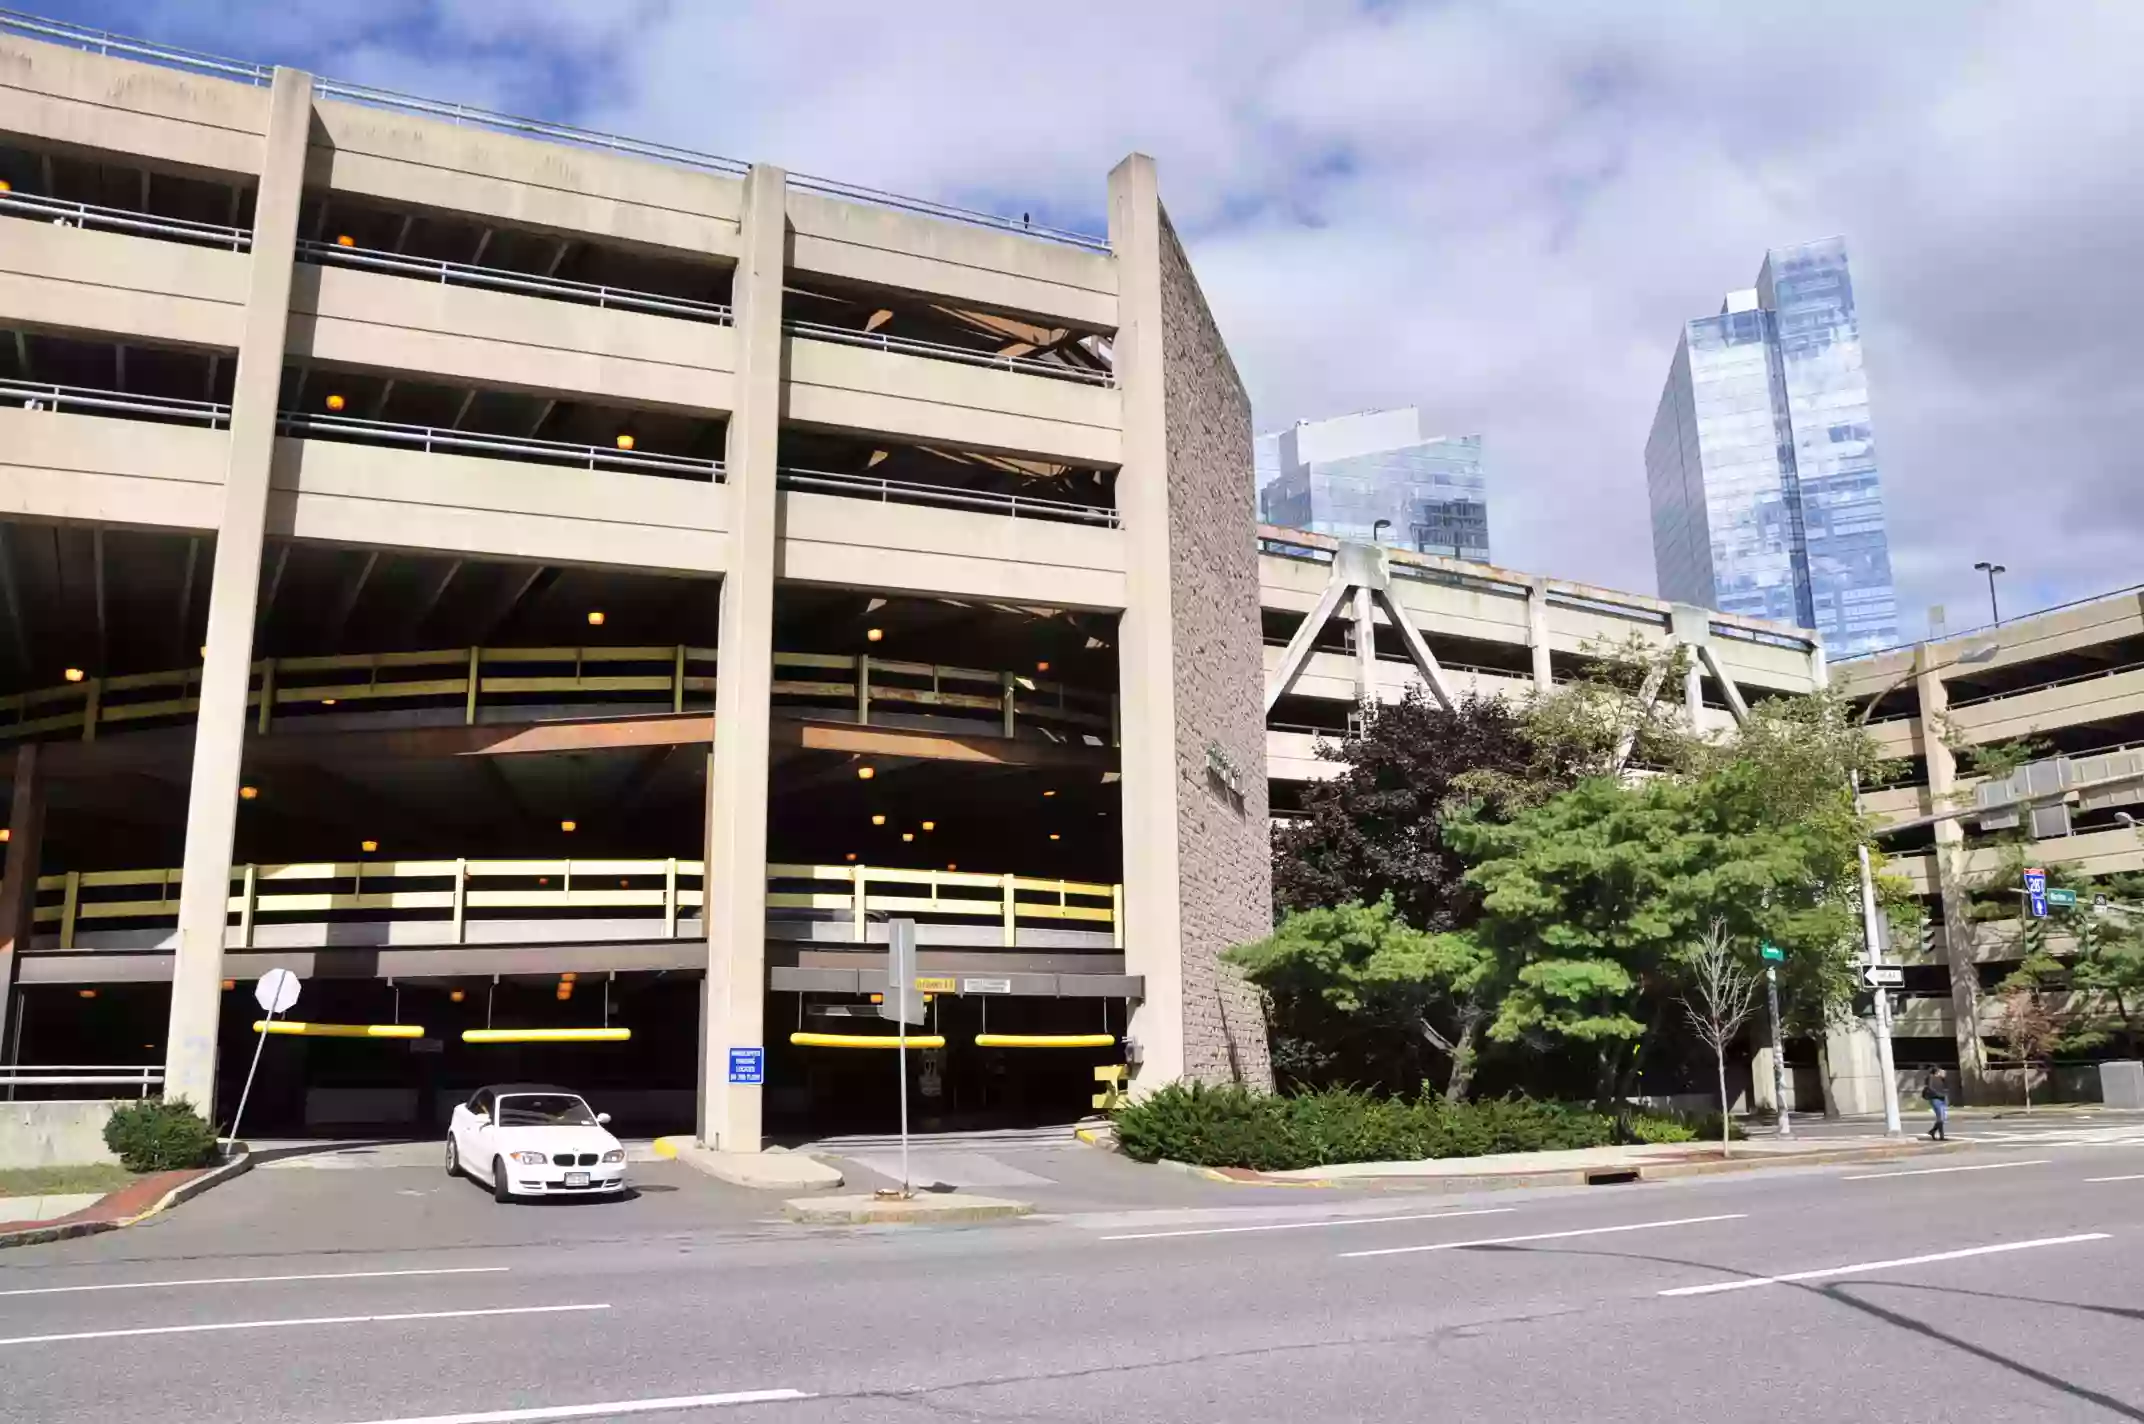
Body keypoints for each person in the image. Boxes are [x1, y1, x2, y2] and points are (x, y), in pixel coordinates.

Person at [1922, 1066, 1949, 1141]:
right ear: (1936, 1072)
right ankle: (1941, 1136)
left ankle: (1933, 1131)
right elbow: (1931, 1089)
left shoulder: (1941, 1079)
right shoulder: (1930, 1078)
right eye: (1940, 1071)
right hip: (1935, 1099)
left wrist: (1944, 1078)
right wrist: (1939, 1095)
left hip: (1942, 1099)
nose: (1942, 1073)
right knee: (1940, 1118)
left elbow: (1946, 1087)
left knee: (1943, 1118)